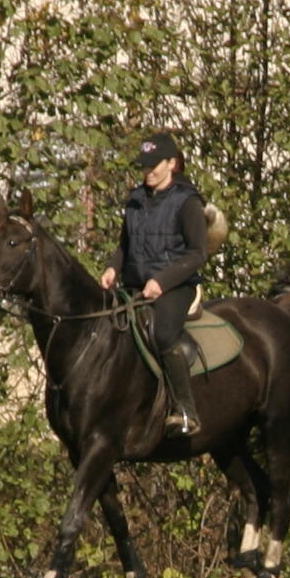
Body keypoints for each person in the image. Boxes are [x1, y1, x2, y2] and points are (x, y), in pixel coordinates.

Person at [101, 131, 214, 435]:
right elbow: (124, 244)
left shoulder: (187, 201)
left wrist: (162, 282)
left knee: (162, 334)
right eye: (144, 165)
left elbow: (197, 253)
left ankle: (185, 410)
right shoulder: (135, 199)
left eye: (154, 165)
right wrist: (112, 267)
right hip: (135, 286)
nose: (147, 171)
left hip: (176, 286)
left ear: (172, 163)